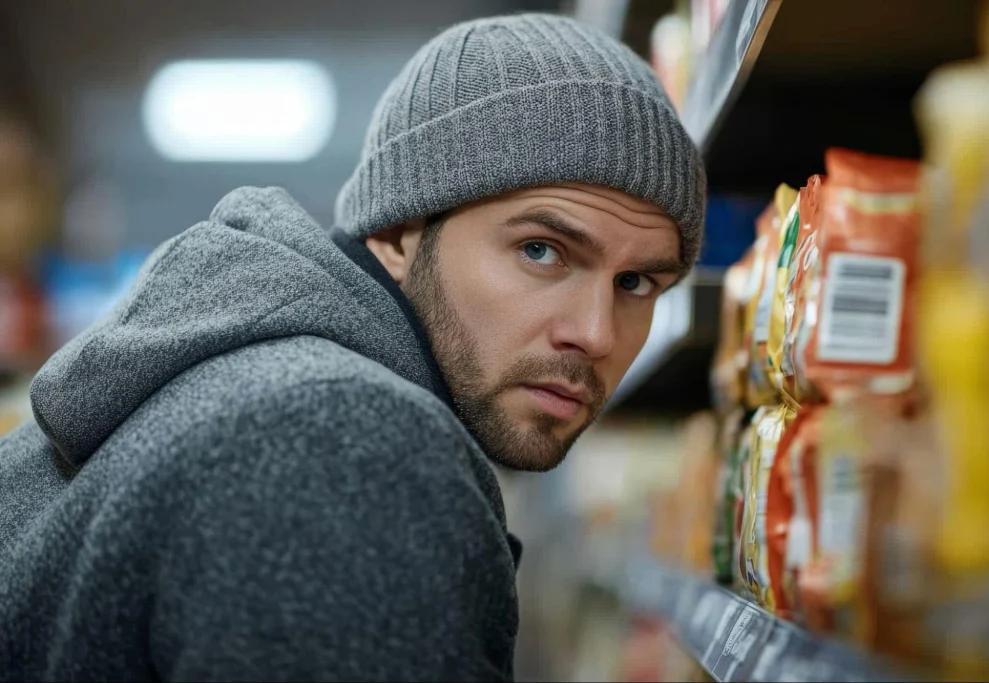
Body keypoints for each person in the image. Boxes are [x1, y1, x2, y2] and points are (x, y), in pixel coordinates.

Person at [0, 13, 703, 682]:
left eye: (638, 281)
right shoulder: (347, 444)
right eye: (542, 250)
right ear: (399, 232)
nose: (598, 332)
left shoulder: (258, 385)